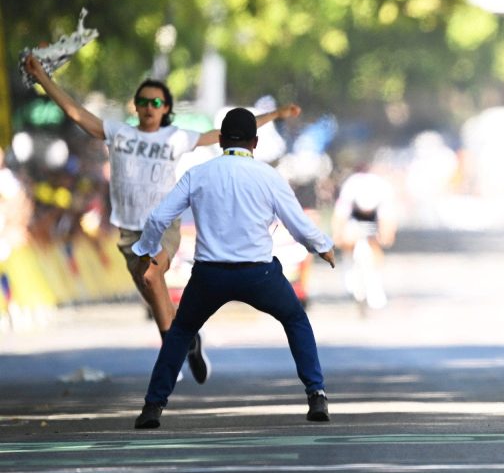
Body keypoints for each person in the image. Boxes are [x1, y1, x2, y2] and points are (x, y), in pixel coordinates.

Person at [23, 54, 300, 384]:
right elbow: (76, 112)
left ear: (165, 108)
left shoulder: (175, 138)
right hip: (129, 234)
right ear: (135, 106)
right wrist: (42, 78)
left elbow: (226, 132)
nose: (149, 106)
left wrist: (277, 114)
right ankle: (188, 342)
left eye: (156, 101)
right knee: (155, 299)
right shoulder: (120, 134)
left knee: (154, 278)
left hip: (163, 226)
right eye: (143, 101)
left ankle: (172, 355)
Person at [130, 108, 336, 428]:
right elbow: (296, 222)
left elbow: (158, 217)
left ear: (221, 139)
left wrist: (145, 250)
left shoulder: (198, 174)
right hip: (260, 275)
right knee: (295, 318)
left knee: (181, 332)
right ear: (255, 142)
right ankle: (317, 394)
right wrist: (322, 246)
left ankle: (152, 406)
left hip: (209, 276)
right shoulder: (268, 176)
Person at [331, 164, 397, 309]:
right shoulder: (351, 188)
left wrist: (386, 236)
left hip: (375, 219)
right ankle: (349, 268)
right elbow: (339, 216)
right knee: (349, 240)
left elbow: (388, 220)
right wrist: (338, 236)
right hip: (353, 217)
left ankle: (376, 285)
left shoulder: (382, 190)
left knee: (375, 247)